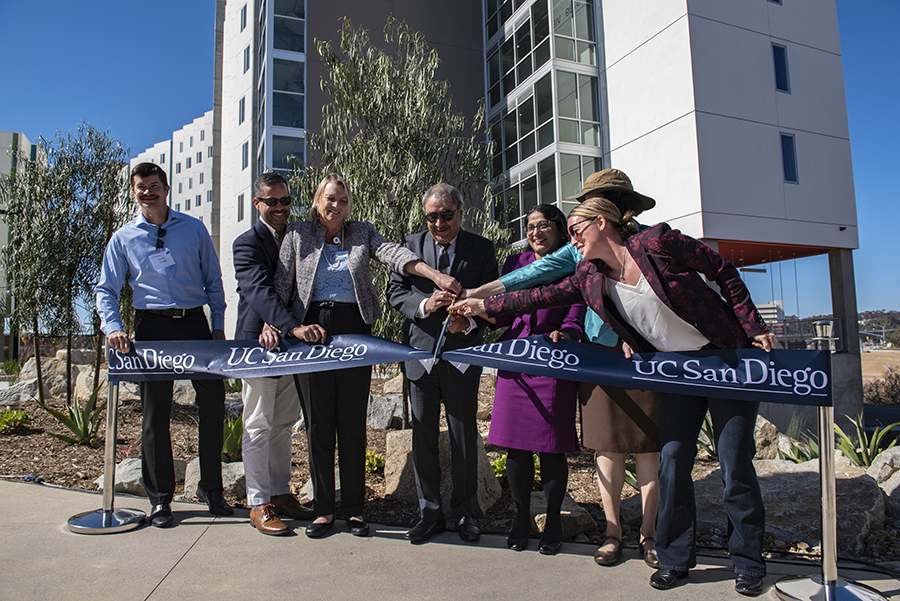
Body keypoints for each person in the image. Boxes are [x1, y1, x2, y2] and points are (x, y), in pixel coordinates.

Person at [453, 178, 775, 596]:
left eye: (575, 231)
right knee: (674, 463)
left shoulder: (659, 242)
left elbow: (721, 270)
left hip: (723, 358)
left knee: (735, 465)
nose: (571, 242)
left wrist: (753, 326)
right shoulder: (589, 277)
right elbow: (536, 295)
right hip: (674, 371)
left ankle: (748, 562)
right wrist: (481, 306)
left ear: (601, 223)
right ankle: (675, 559)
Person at [465, 169, 661, 568]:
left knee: (646, 448)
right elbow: (533, 280)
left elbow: (661, 294)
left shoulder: (649, 242)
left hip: (639, 354)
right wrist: (479, 297)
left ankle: (650, 535)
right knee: (605, 446)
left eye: (603, 199)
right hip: (594, 353)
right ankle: (612, 532)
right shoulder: (577, 249)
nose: (594, 207)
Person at [273, 174, 460, 539]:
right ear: (317, 200)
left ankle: (356, 511)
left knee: (352, 423)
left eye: (342, 200)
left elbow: (394, 253)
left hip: (355, 330)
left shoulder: (361, 232)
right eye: (330, 199)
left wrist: (432, 273)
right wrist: (276, 324)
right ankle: (325, 510)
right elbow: (281, 284)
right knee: (319, 425)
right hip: (310, 332)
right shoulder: (297, 234)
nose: (336, 206)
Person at [95, 162, 232, 528]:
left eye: (154, 185)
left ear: (166, 188)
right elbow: (106, 290)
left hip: (193, 323)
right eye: (141, 187)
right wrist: (113, 328)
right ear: (135, 192)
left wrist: (217, 326)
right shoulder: (123, 237)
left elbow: (213, 280)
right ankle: (160, 499)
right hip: (151, 327)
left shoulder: (193, 229)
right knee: (155, 414)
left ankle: (212, 489)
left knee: (213, 401)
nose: (148, 192)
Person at [386, 183, 499, 545]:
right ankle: (429, 513)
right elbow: (395, 292)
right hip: (420, 360)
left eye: (446, 215)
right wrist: (424, 306)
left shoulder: (481, 248)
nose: (438, 223)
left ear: (461, 213)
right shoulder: (409, 246)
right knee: (423, 439)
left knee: (464, 437)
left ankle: (466, 513)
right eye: (431, 216)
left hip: (462, 359)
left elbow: (496, 299)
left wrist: (469, 322)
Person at [488, 205, 585, 555]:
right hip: (514, 362)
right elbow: (499, 310)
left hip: (552, 360)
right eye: (530, 226)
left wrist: (569, 332)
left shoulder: (573, 261)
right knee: (516, 446)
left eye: (543, 225)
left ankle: (555, 519)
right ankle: (521, 516)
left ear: (560, 229)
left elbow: (578, 308)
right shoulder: (514, 263)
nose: (535, 231)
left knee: (551, 446)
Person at [232, 172, 316, 536]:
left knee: (283, 424)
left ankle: (281, 494)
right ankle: (258, 503)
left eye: (285, 201)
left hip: (291, 350)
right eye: (272, 202)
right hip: (259, 345)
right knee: (257, 425)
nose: (280, 208)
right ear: (257, 204)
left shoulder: (299, 237)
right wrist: (286, 324)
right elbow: (259, 291)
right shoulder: (246, 243)